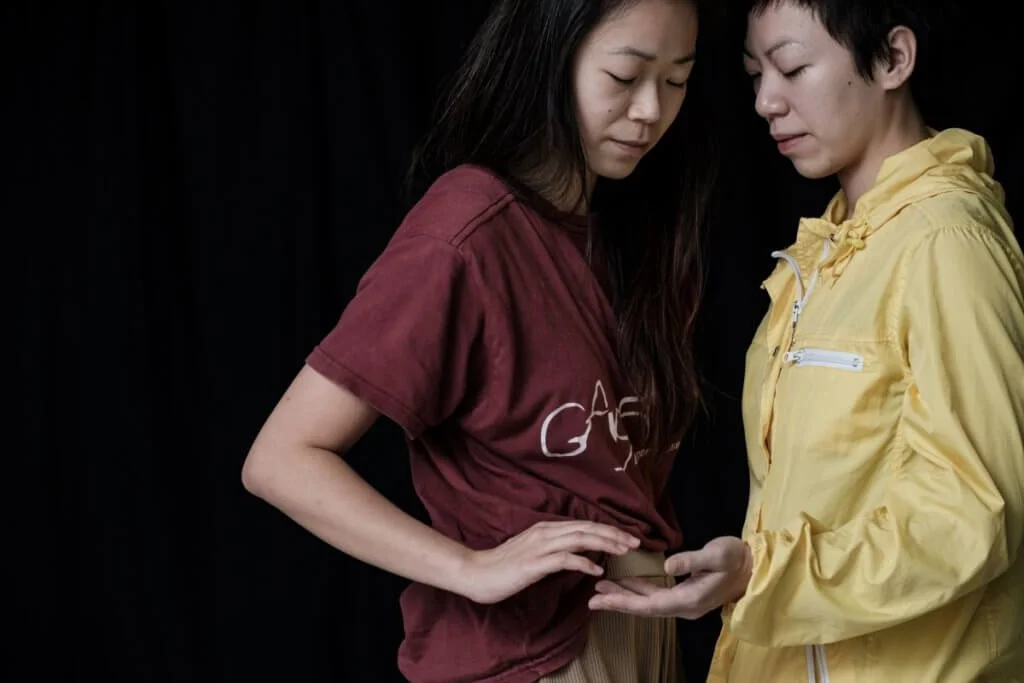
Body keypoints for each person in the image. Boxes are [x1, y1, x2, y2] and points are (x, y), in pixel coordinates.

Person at [241, 0, 713, 681]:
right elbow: (281, 457)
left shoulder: (638, 236)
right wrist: (469, 567)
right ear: (550, 57)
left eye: (676, 81)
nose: (650, 111)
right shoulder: (467, 229)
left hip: (639, 633)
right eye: (624, 76)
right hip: (529, 653)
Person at [586, 0, 1024, 680]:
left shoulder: (945, 240)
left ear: (894, 59)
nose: (766, 101)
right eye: (755, 74)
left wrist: (761, 573)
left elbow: (973, 515)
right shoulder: (829, 250)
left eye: (791, 68)